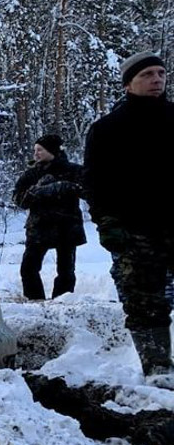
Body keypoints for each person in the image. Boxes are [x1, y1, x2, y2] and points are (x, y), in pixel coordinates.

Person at [84, 51, 174, 378]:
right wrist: (107, 223)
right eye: (147, 74)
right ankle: (158, 369)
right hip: (136, 230)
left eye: (161, 73)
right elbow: (95, 183)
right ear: (128, 84)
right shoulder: (108, 129)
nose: (157, 80)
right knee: (145, 303)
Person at [13, 134, 85, 300]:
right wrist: (37, 191)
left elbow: (89, 192)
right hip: (38, 228)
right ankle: (35, 301)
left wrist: (65, 187)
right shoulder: (31, 174)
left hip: (66, 227)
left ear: (52, 151)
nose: (36, 153)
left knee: (66, 270)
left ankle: (62, 302)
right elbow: (19, 200)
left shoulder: (73, 171)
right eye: (35, 150)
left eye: (40, 150)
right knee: (28, 268)